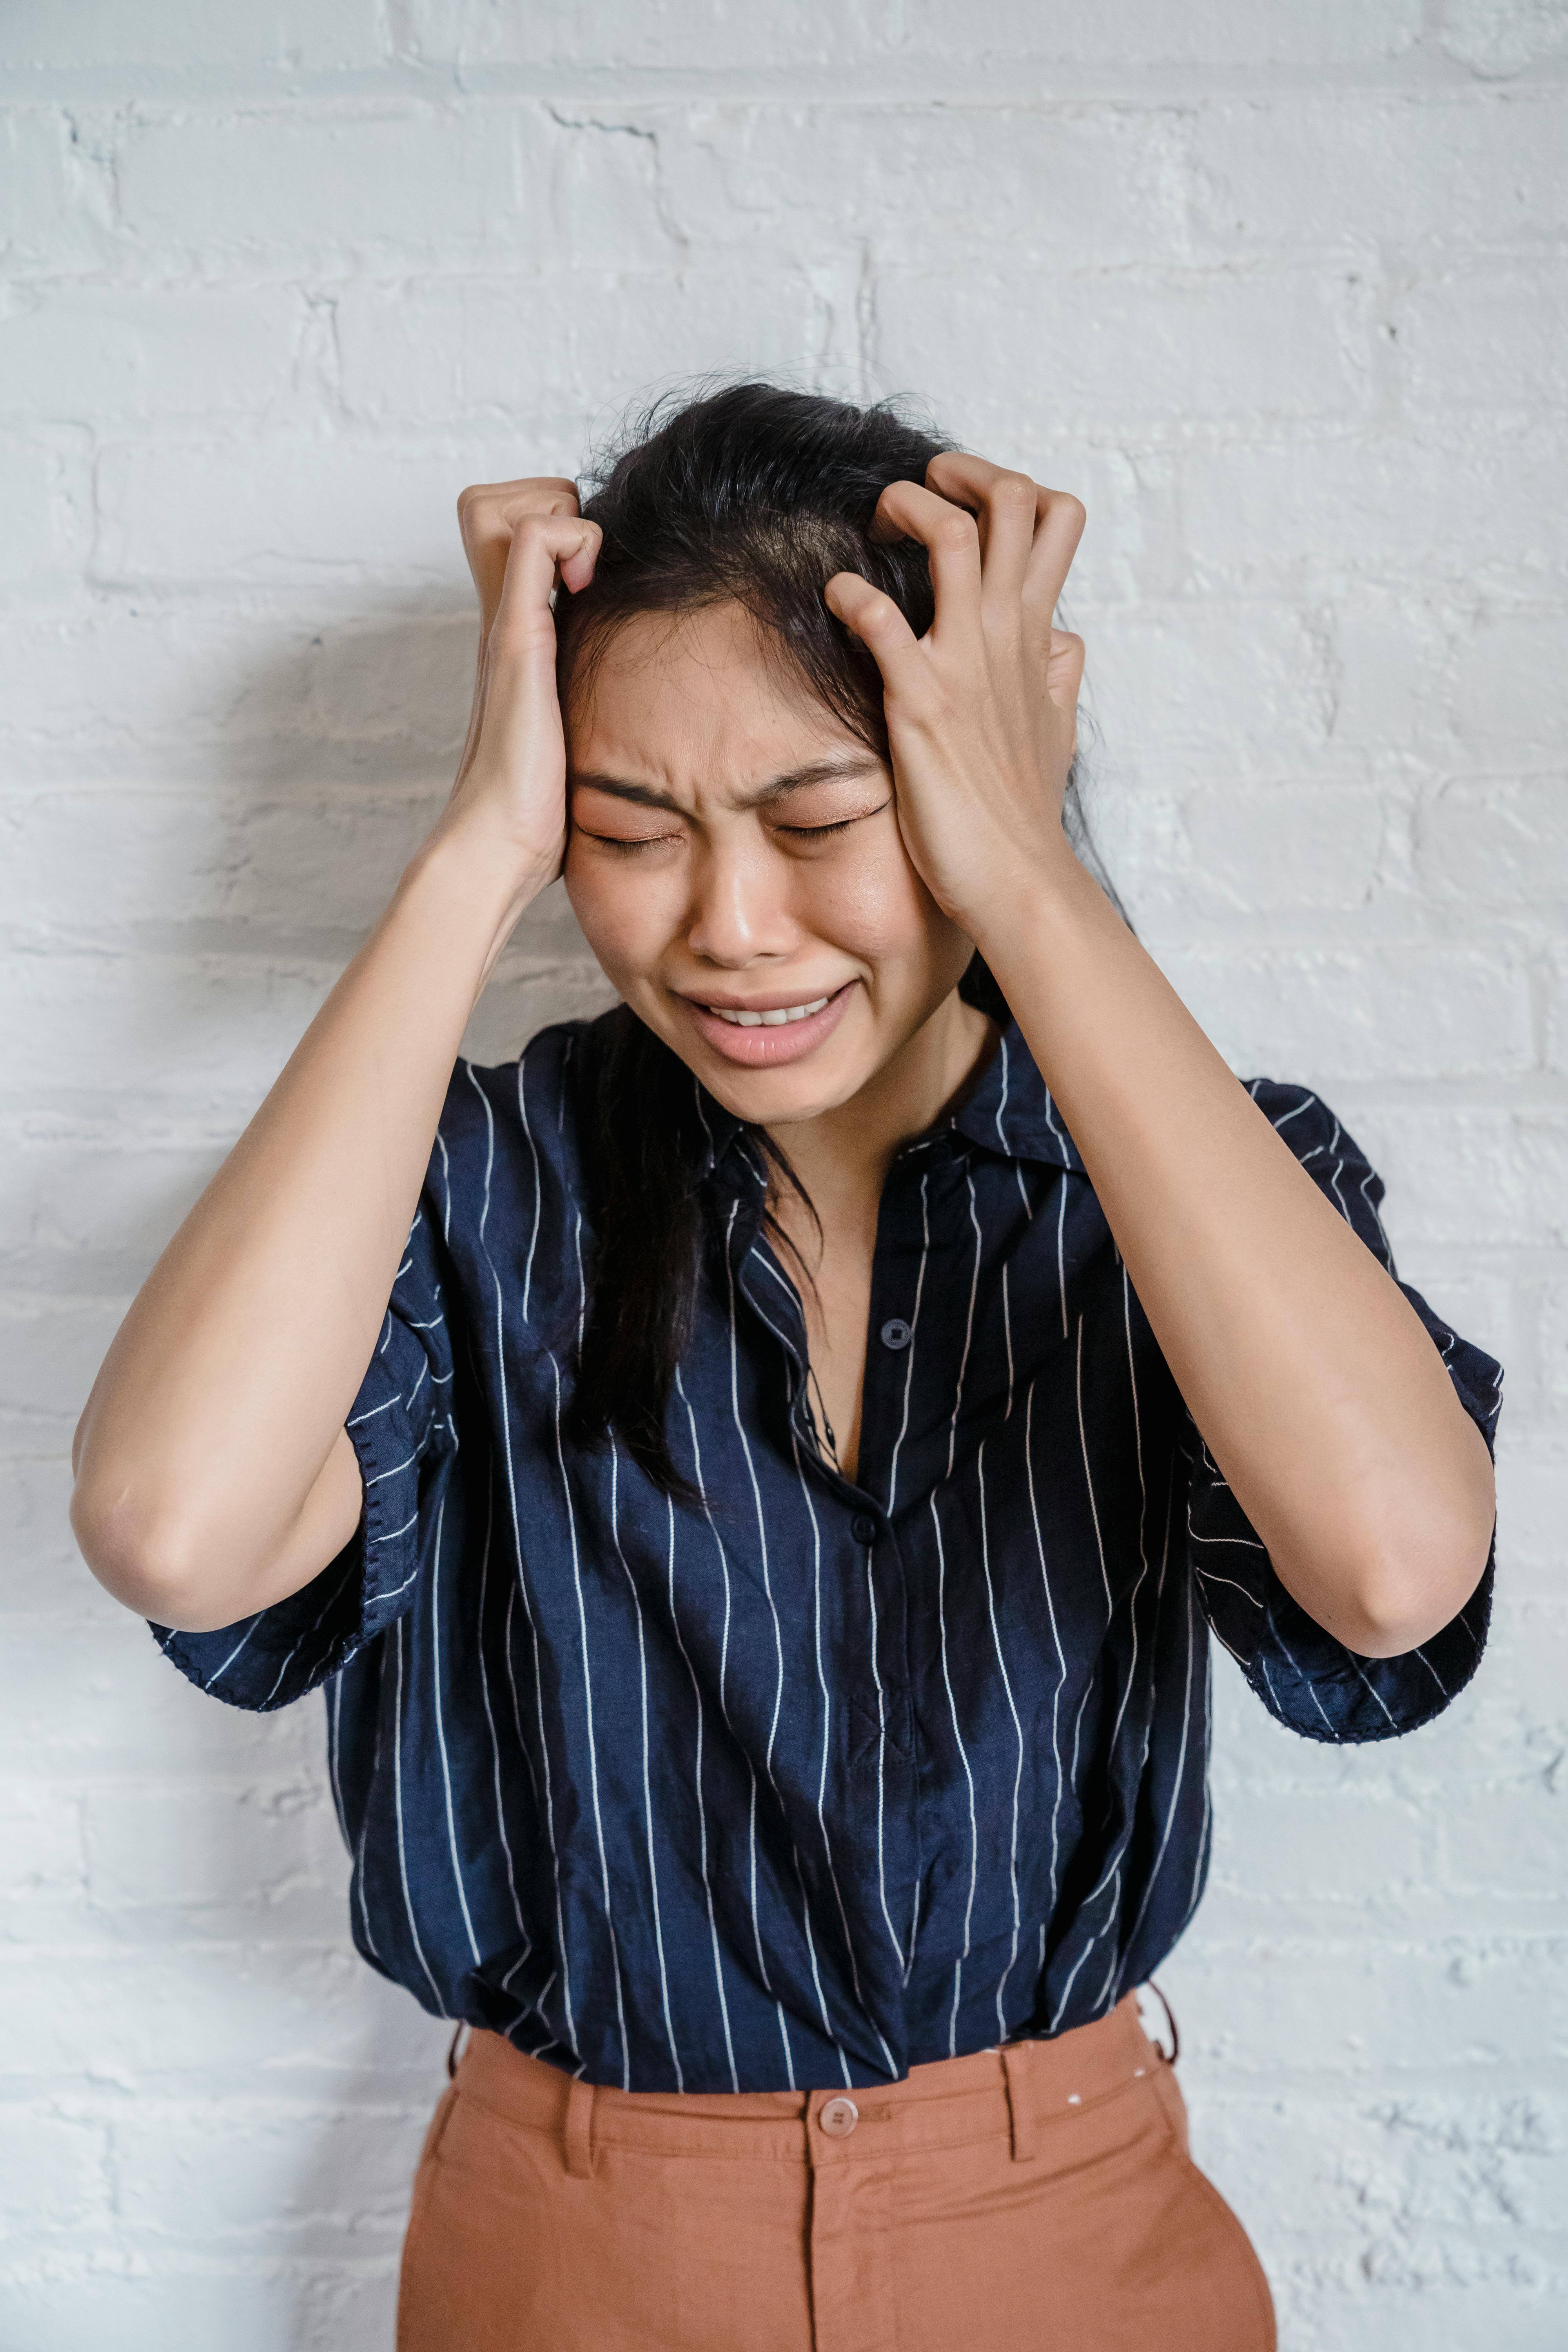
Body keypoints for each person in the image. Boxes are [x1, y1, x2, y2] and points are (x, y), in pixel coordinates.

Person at [70, 383, 1501, 2352]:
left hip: (1069, 2238)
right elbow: (172, 1527)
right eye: (626, 830)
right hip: (574, 2253)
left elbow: (1392, 1569)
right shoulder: (473, 1185)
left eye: (822, 819)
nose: (733, 931)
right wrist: (474, 851)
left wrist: (1033, 873)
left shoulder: (1192, 1179)